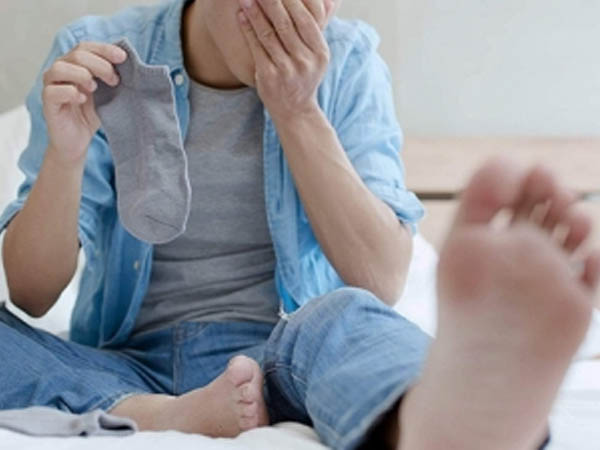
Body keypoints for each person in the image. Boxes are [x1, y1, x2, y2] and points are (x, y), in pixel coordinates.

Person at [0, 0, 598, 448]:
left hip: (284, 354)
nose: (293, 13)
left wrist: (296, 108)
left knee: (351, 320)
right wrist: (66, 158)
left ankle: (436, 421)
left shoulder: (348, 60)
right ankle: (157, 415)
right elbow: (31, 293)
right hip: (124, 359)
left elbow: (382, 278)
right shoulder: (100, 56)